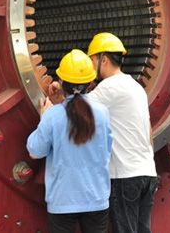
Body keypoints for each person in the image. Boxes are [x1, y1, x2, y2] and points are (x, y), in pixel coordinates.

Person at [50, 32, 157, 233]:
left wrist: (59, 93)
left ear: (104, 60)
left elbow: (75, 111)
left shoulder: (109, 87)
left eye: (92, 61)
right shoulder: (135, 87)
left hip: (124, 176)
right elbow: (148, 131)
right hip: (147, 172)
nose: (90, 67)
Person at [27, 49, 113, 233]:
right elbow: (107, 151)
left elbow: (34, 151)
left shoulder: (53, 115)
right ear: (90, 83)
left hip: (63, 200)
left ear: (61, 82)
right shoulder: (102, 113)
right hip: (96, 197)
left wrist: (43, 120)